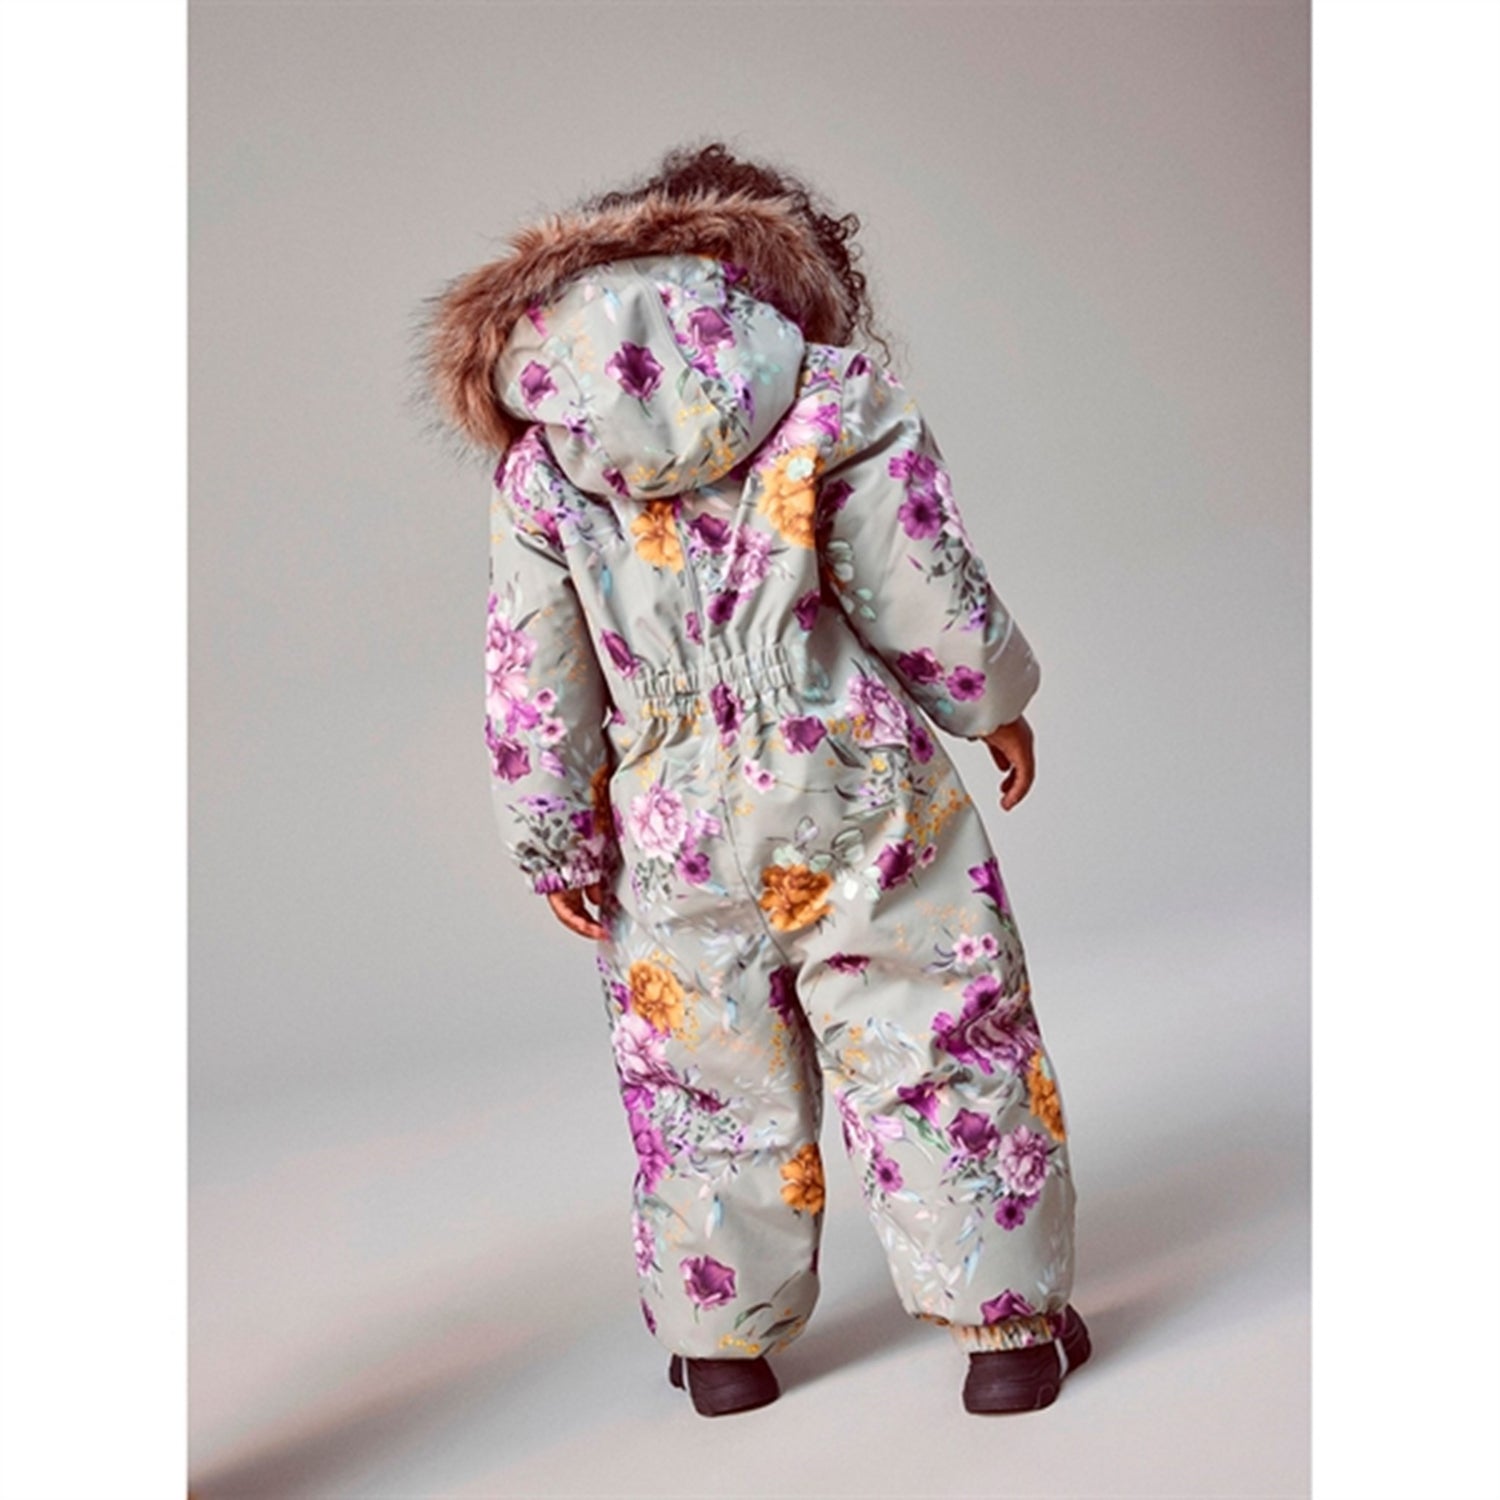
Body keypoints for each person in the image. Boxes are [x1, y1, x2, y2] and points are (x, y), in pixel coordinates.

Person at [421, 141, 1089, 1417]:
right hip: (850, 781)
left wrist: (557, 835)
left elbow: (534, 668)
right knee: (932, 1032)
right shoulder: (830, 396)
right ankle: (1006, 1335)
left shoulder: (544, 458)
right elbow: (917, 578)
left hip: (666, 815)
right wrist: (991, 701)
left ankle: (722, 1350)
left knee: (703, 1077)